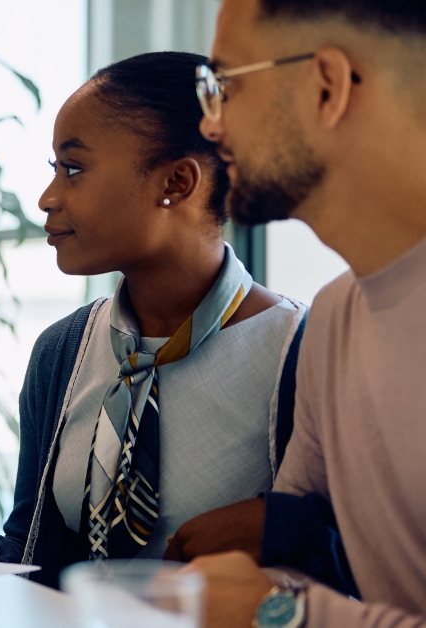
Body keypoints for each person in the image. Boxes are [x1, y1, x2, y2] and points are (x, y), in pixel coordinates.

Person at [0, 51, 306, 587]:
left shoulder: (300, 355)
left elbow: (351, 564)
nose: (47, 198)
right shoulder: (64, 351)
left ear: (176, 182)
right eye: (53, 170)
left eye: (73, 169)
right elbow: (41, 565)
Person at [174, 0, 426, 626]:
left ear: (326, 87)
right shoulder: (336, 319)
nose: (211, 124)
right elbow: (291, 563)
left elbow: (284, 604)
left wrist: (280, 614)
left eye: (224, 86)